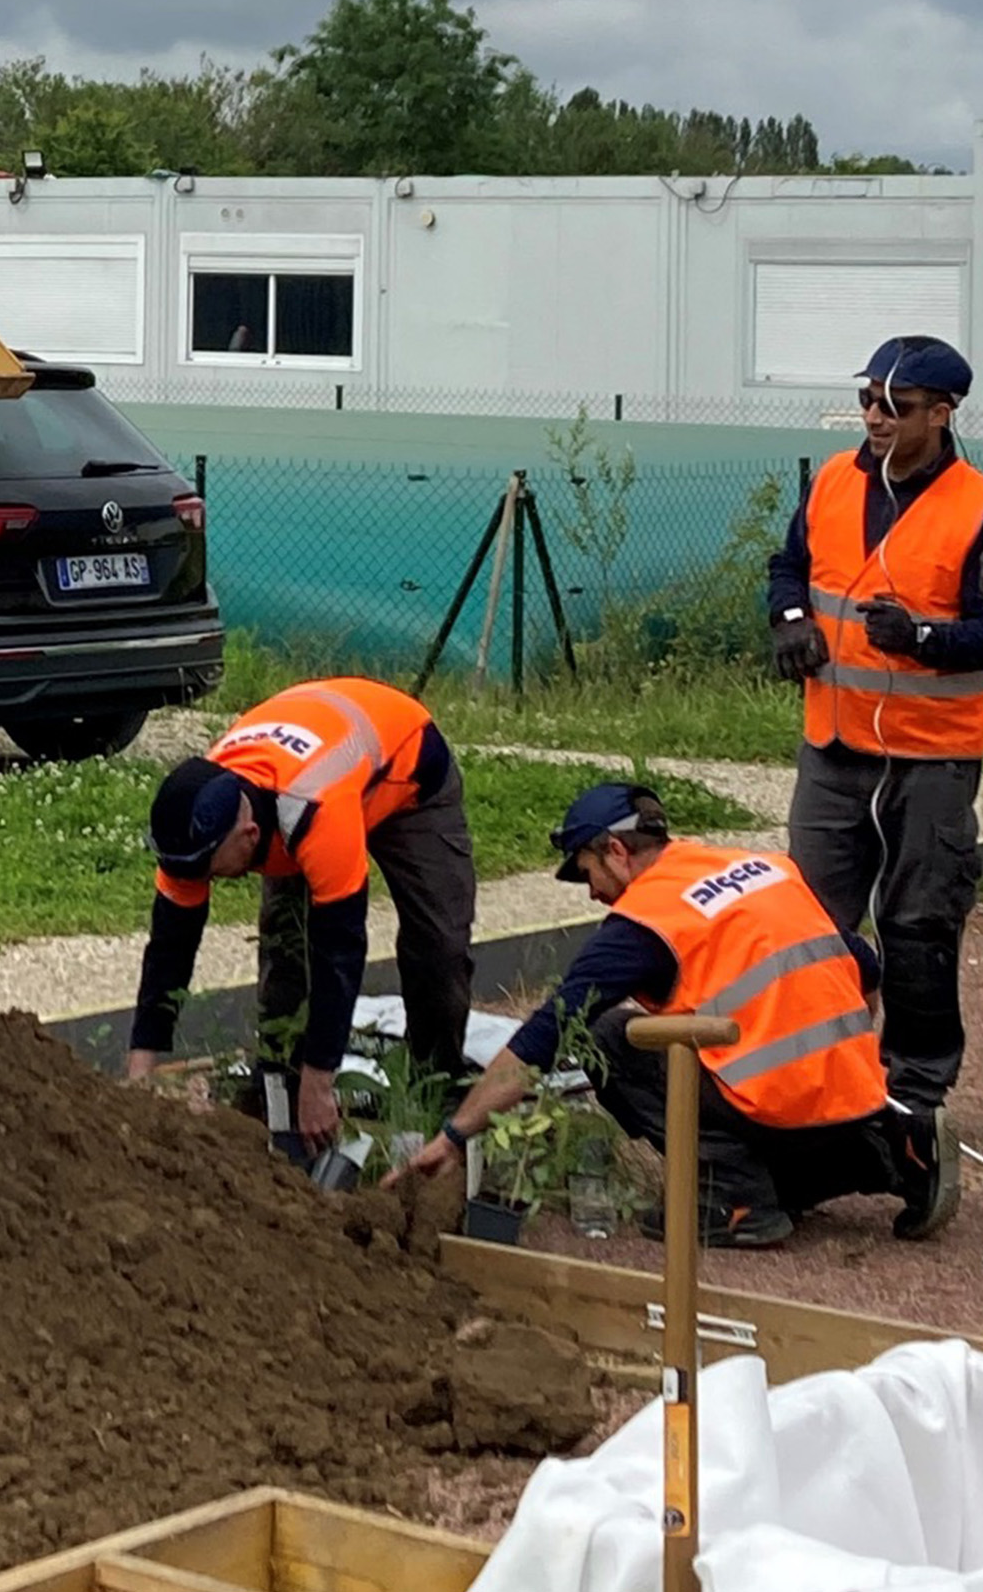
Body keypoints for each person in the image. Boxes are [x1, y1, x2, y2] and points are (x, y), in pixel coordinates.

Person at [393, 782, 957, 1248]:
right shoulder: (762, 869)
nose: (592, 894)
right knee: (777, 1088)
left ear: (616, 851)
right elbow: (863, 966)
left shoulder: (647, 921)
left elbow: (549, 1031)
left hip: (773, 1110)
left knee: (605, 1036)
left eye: (587, 872)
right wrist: (833, 1062)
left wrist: (455, 1135)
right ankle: (900, 1152)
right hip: (859, 1099)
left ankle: (732, 1197)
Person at [767, 333, 982, 1113]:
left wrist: (923, 638)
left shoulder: (975, 507)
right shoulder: (831, 480)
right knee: (811, 924)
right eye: (867, 400)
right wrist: (790, 621)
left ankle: (913, 1097)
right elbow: (788, 569)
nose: (875, 417)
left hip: (931, 759)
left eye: (895, 405)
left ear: (941, 413)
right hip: (831, 749)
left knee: (919, 926)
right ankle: (817, 1077)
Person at [125, 677, 476, 1150]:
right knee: (283, 941)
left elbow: (340, 949)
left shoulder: (313, 810)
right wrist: (141, 1073)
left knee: (437, 945)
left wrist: (320, 1081)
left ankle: (436, 1090)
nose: (198, 878)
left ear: (249, 835)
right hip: (307, 762)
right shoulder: (196, 818)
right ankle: (278, 1077)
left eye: (207, 869)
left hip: (407, 774)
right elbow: (170, 945)